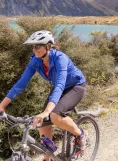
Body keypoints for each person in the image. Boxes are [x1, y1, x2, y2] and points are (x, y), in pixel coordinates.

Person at [0, 31, 87, 160]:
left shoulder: (60, 59)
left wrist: (46, 112)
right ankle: (49, 156)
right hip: (59, 88)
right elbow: (20, 84)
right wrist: (1, 106)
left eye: (37, 46)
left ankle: (80, 134)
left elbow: (59, 85)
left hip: (75, 86)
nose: (34, 49)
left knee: (54, 115)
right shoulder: (35, 61)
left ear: (48, 46)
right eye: (33, 46)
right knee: (42, 122)